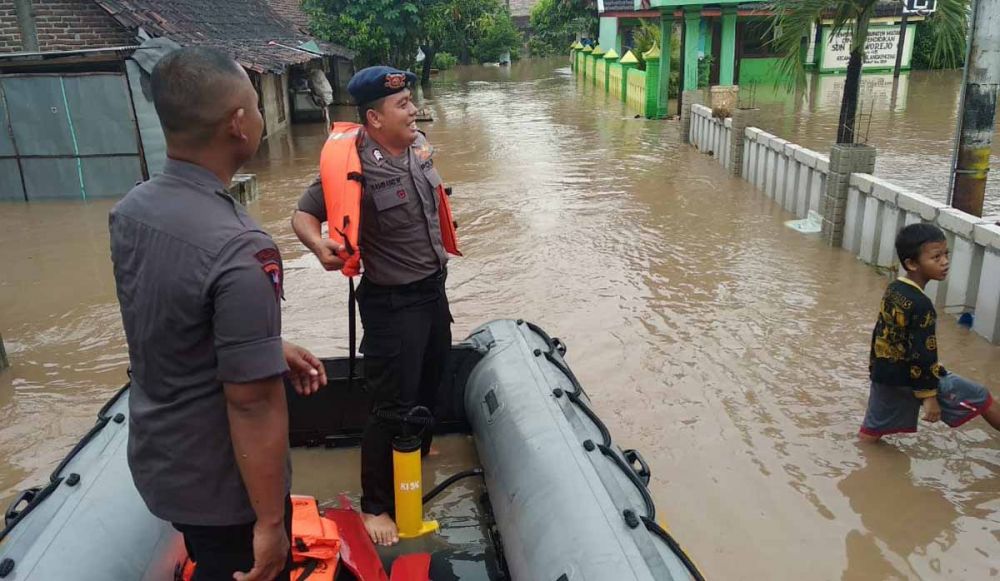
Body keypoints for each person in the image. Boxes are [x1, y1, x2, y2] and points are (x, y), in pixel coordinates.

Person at [110, 47, 327, 581]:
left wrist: (266, 347)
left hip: (164, 459)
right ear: (237, 124)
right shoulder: (240, 246)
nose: (257, 115)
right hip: (223, 482)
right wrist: (270, 523)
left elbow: (169, 322)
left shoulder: (133, 210)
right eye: (254, 104)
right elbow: (252, 404)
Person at [291, 66, 461, 546]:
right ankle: (375, 507)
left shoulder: (419, 148)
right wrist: (320, 246)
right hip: (392, 304)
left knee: (431, 383)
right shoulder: (353, 164)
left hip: (433, 292)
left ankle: (414, 456)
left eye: (411, 99)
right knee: (392, 407)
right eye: (402, 104)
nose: (413, 109)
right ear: (373, 117)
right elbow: (302, 214)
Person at [859, 223, 1000, 443]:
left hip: (885, 373)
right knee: (981, 396)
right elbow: (924, 353)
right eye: (936, 258)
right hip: (913, 377)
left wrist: (874, 368)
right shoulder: (922, 305)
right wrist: (929, 396)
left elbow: (881, 332)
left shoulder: (894, 289)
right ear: (912, 263)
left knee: (872, 432)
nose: (945, 262)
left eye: (946, 254)